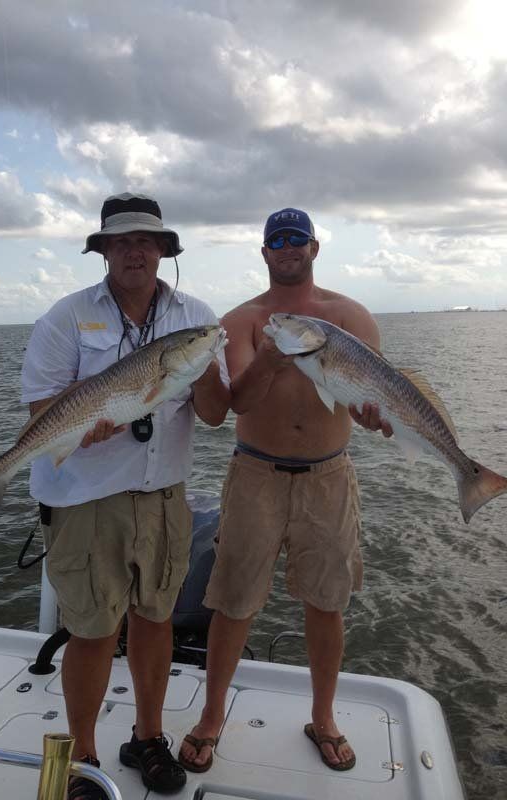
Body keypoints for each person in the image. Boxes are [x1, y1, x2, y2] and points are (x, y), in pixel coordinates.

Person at [21, 192, 229, 798]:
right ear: (104, 250)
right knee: (90, 630)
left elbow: (214, 414)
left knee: (156, 619)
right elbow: (42, 407)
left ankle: (147, 737)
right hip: (87, 497)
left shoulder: (195, 318)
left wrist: (208, 363)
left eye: (147, 240)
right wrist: (91, 420)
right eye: (122, 241)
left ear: (165, 250)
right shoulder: (65, 317)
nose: (135, 250)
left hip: (164, 494)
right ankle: (84, 758)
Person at [179, 206, 392, 774]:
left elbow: (368, 393)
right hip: (256, 475)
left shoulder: (351, 317)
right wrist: (271, 360)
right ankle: (211, 715)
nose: (288, 247)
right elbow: (236, 405)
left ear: (315, 248)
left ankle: (324, 717)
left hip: (329, 475)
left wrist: (373, 416)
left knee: (327, 604)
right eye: (277, 240)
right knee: (231, 602)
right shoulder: (245, 321)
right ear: (265, 253)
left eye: (297, 238)